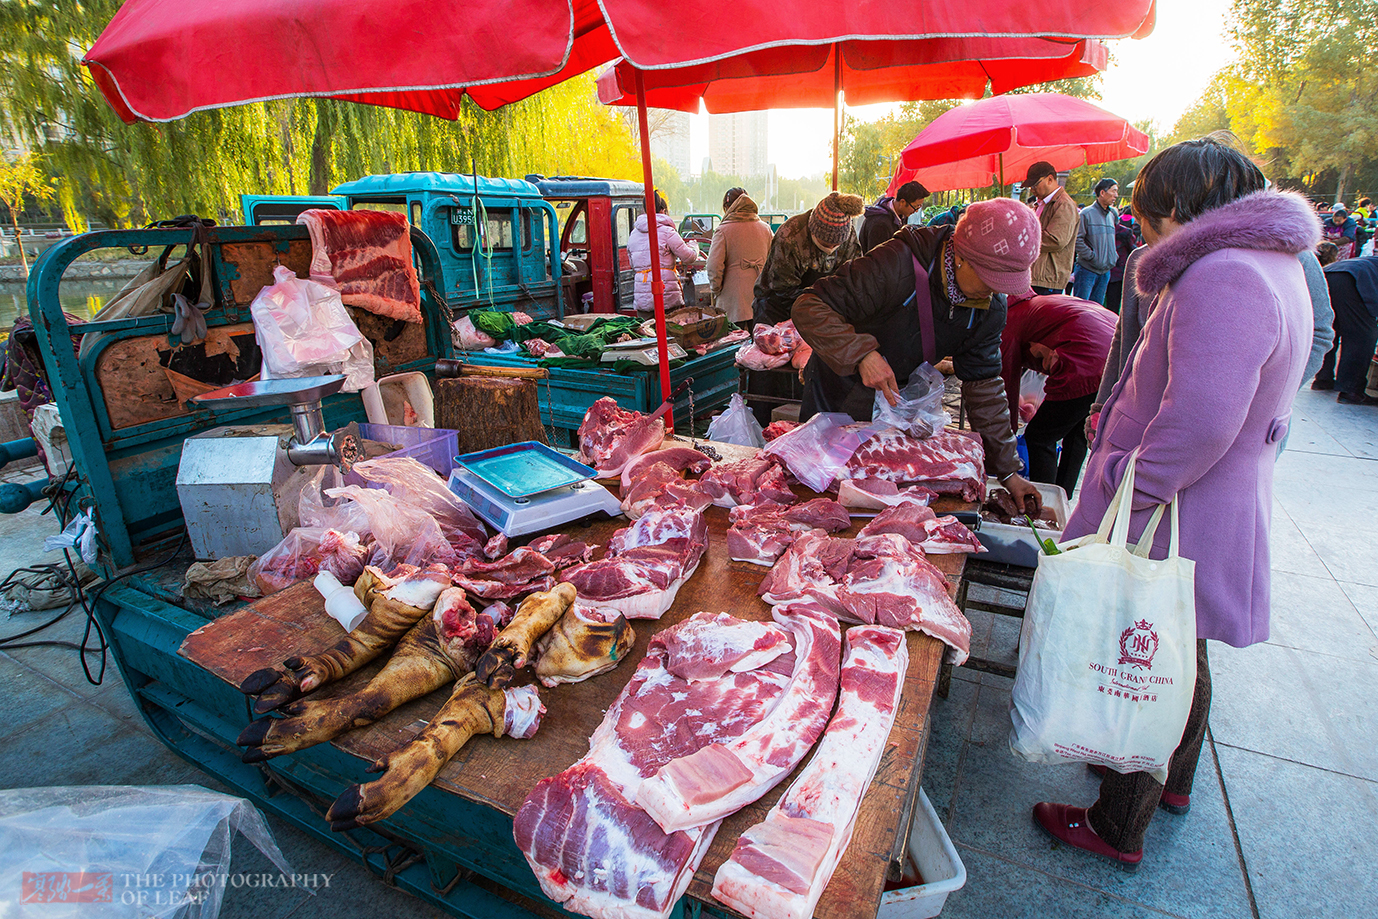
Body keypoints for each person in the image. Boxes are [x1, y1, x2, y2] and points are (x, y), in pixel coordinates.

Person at [1036, 134, 1321, 870]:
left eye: (1148, 211)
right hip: (1215, 495)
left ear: (1176, 205)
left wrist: (1133, 491)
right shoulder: (1274, 263)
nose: (1145, 228)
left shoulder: (1223, 274)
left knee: (1149, 653)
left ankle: (1117, 822)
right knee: (1179, 643)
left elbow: (1200, 417)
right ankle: (1173, 784)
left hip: (1180, 504)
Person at [791, 197, 1046, 512]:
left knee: (881, 505)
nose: (995, 291)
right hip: (838, 390)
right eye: (990, 279)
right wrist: (861, 353)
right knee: (822, 498)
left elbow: (983, 384)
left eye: (1004, 284)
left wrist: (1008, 471)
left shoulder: (989, 307)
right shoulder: (898, 263)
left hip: (897, 403)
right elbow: (810, 305)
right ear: (962, 256)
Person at [1000, 294, 1116, 496]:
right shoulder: (1040, 304)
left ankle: (1043, 501)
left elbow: (1006, 388)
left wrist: (1003, 439)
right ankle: (1062, 495)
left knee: (1039, 436)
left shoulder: (1010, 321)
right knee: (1076, 431)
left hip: (1087, 359)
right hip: (1115, 355)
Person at [752, 192, 863, 326]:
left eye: (836, 245)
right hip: (777, 306)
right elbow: (783, 289)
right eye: (826, 244)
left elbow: (853, 279)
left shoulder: (849, 237)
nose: (831, 248)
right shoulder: (790, 237)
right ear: (814, 231)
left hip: (819, 306)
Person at [1310, 256, 1378, 405]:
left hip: (1329, 274)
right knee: (1362, 335)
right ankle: (1351, 391)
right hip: (1355, 278)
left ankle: (1323, 379)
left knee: (1332, 329)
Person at [628, 191, 704, 315]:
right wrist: (694, 246)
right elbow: (689, 257)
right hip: (666, 296)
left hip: (642, 297)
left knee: (647, 331)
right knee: (670, 331)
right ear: (662, 210)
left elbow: (633, 264)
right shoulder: (668, 232)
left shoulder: (633, 234)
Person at [705, 187, 774, 324]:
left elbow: (713, 266)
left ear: (727, 207)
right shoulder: (765, 228)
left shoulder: (723, 230)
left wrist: (716, 289)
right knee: (759, 342)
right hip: (761, 300)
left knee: (736, 342)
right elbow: (775, 261)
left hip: (733, 304)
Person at [1025, 161, 1078, 295]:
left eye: (1035, 184)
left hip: (1048, 279)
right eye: (1030, 186)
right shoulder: (1041, 203)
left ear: (1050, 179)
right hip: (1034, 276)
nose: (1032, 189)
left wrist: (1024, 240)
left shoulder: (1064, 204)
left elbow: (1056, 239)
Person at [1072, 178, 1120, 304]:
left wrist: (1113, 256)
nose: (1116, 195)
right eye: (1113, 191)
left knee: (1097, 310)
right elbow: (1077, 239)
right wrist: (1092, 257)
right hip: (1087, 270)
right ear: (1102, 193)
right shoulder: (1086, 214)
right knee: (1081, 308)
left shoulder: (1112, 215)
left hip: (1105, 271)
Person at [859, 180, 930, 253]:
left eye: (919, 207)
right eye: (915, 206)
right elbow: (877, 257)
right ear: (902, 202)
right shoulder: (880, 223)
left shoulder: (901, 215)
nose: (916, 211)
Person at [1104, 213, 1140, 313]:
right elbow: (1132, 249)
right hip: (1117, 272)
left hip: (1104, 270)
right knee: (1114, 305)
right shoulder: (1124, 231)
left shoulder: (1104, 230)